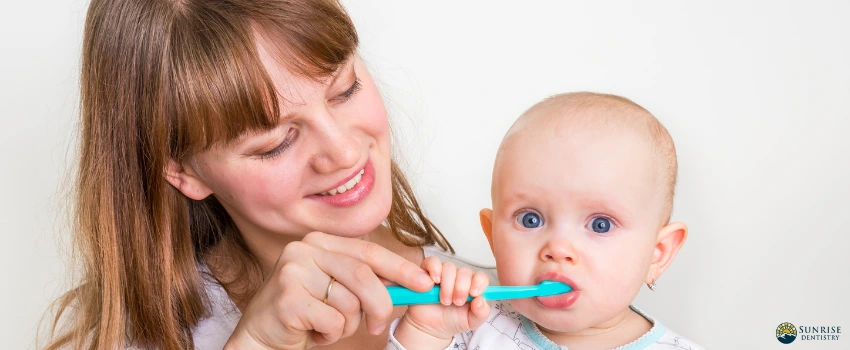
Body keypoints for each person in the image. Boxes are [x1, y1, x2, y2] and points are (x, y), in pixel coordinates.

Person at [42, 0, 495, 349]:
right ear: (181, 170)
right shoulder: (120, 336)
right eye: (275, 142)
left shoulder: (505, 316)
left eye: (345, 89)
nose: (342, 150)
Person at [386, 92, 703, 349]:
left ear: (657, 254)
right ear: (493, 237)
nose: (558, 249)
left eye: (600, 225)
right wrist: (425, 332)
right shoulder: (466, 326)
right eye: (531, 219)